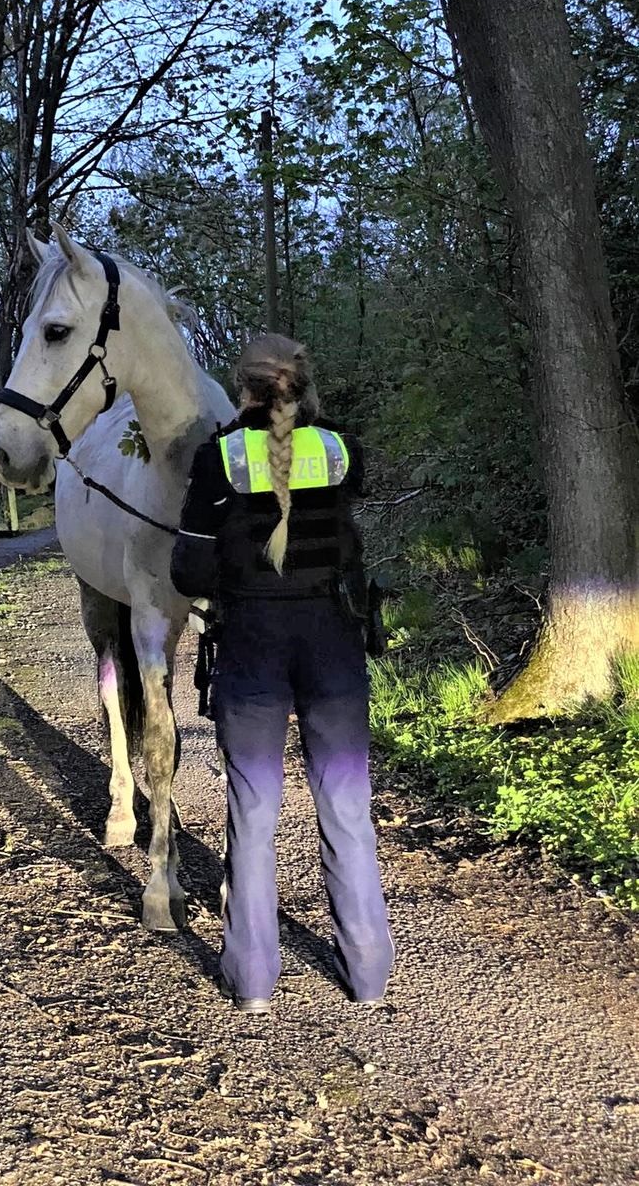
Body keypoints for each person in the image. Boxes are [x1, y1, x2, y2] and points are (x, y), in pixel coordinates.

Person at [170, 333, 394, 1016]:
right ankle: (367, 975)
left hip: (252, 646)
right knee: (347, 806)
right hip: (332, 641)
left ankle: (254, 982)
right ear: (303, 383)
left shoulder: (218, 459)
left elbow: (188, 571)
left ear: (243, 387)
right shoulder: (340, 448)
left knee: (254, 809)